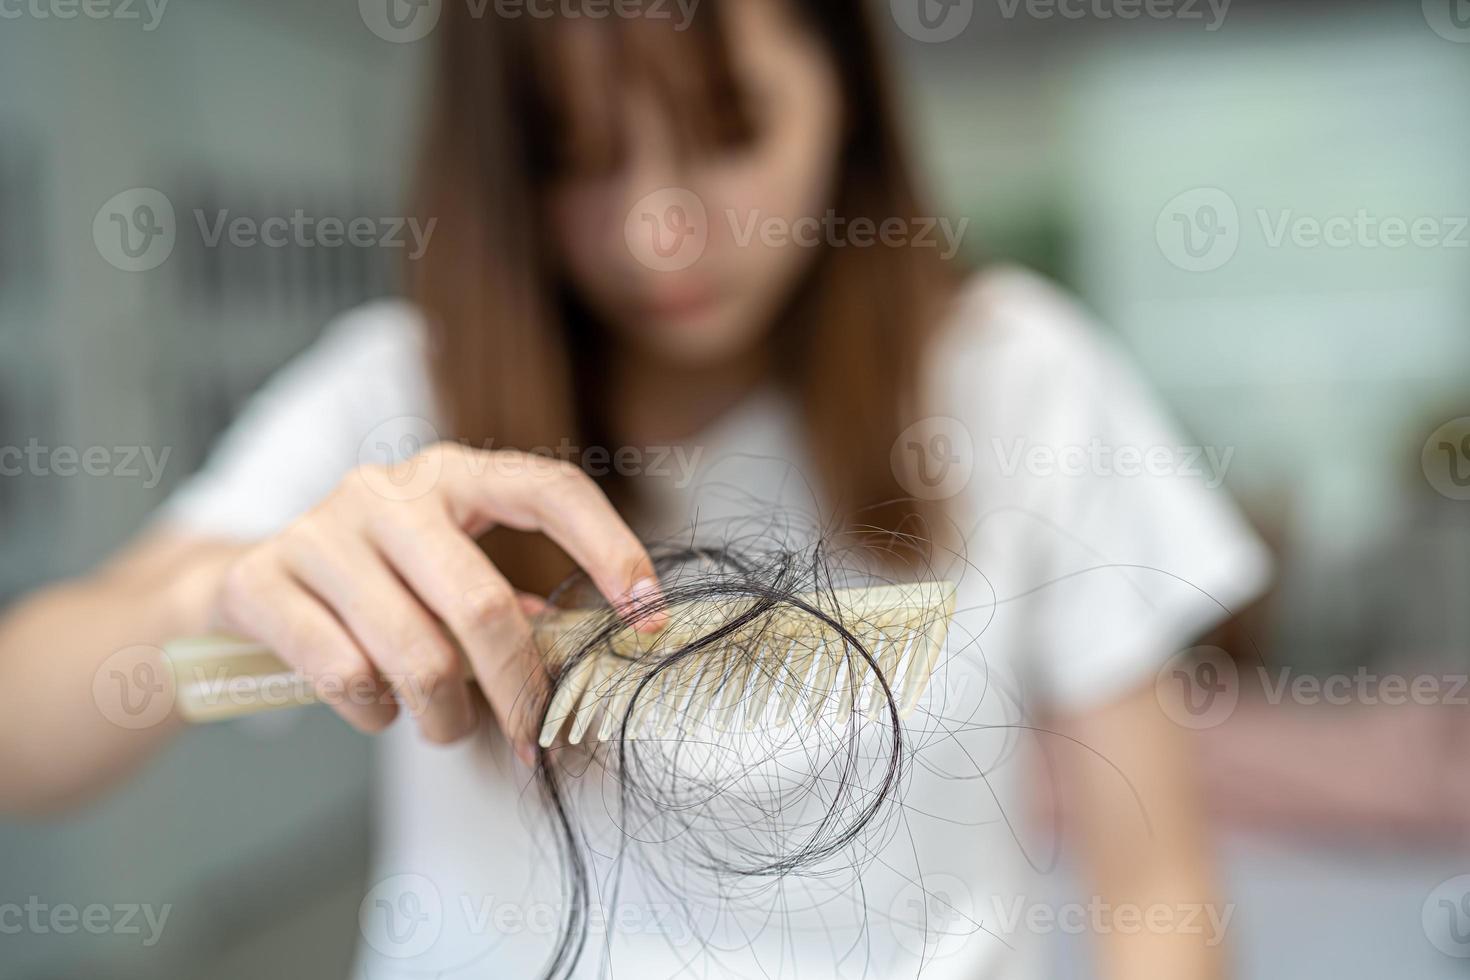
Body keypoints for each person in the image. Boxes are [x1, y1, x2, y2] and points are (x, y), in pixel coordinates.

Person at [0, 1, 1269, 977]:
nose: (659, 227)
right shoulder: (387, 395)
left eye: (730, 132)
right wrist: (203, 603)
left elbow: (1158, 890)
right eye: (578, 154)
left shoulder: (1018, 377)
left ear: (850, 94)